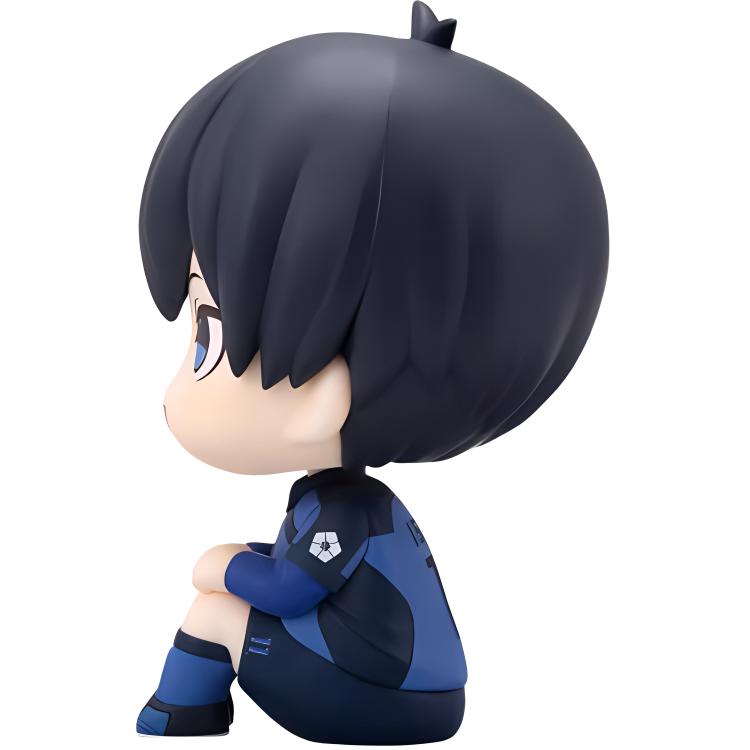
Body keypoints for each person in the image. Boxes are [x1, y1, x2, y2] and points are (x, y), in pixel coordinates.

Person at [135, 2, 608, 743]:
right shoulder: (355, 506)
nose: (181, 387)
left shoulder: (345, 510)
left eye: (209, 334)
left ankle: (177, 715)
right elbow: (308, 572)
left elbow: (290, 590)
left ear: (323, 396)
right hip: (410, 694)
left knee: (213, 611)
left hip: (371, 699)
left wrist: (221, 565)